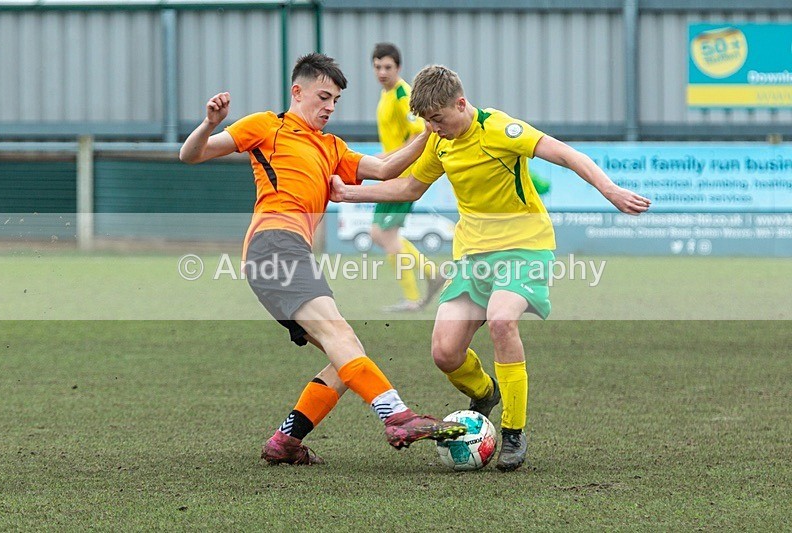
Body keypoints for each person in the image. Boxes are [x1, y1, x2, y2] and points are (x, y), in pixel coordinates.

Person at [331, 64, 651, 472]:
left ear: (461, 104)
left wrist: (610, 189)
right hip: (473, 257)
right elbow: (409, 187)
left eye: (439, 119)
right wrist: (349, 194)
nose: (434, 128)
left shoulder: (500, 129)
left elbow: (566, 154)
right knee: (445, 353)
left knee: (502, 320)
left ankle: (513, 431)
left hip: (525, 247)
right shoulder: (437, 139)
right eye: (427, 122)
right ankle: (485, 393)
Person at [179, 54, 465, 466]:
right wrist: (209, 123)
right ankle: (397, 417)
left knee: (345, 356)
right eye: (324, 97)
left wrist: (427, 132)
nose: (330, 107)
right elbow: (192, 155)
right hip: (274, 244)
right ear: (298, 92)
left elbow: (385, 169)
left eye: (336, 101)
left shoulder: (331, 147)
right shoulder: (267, 126)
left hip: (287, 253)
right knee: (341, 339)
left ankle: (285, 441)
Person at [369, 42, 443, 312]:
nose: (382, 72)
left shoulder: (403, 94)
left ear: (398, 68)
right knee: (381, 234)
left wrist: (385, 158)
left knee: (384, 235)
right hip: (391, 173)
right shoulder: (386, 94)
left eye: (387, 67)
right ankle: (431, 275)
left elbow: (418, 135)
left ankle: (414, 295)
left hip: (403, 173)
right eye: (377, 66)